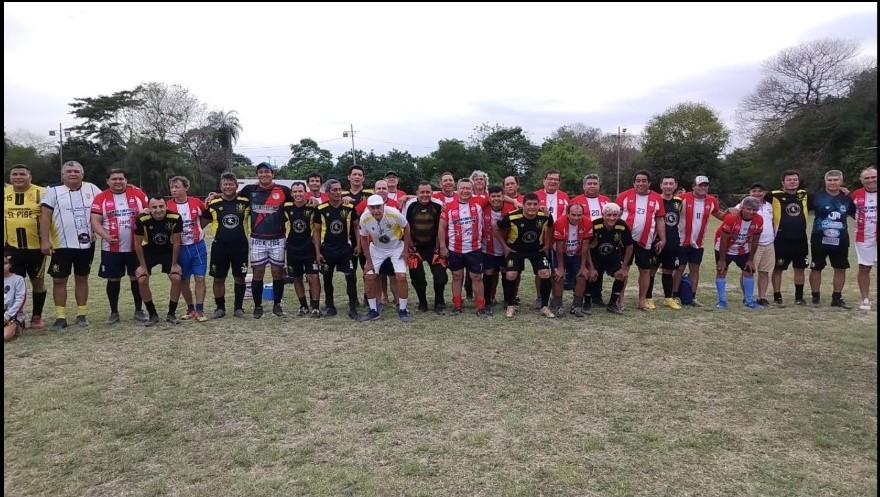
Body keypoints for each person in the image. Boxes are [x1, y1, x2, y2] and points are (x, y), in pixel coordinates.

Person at [40, 160, 102, 331]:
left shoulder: (92, 188)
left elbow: (106, 203)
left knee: (82, 278)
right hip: (62, 244)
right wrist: (45, 240)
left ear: (83, 174)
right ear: (63, 175)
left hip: (87, 243)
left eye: (76, 171)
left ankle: (82, 314)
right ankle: (61, 316)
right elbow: (45, 216)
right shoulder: (53, 190)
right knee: (59, 280)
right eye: (69, 171)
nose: (73, 174)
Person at [90, 168, 149, 324]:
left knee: (136, 277)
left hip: (135, 247)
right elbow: (95, 221)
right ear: (107, 181)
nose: (118, 182)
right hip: (111, 248)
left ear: (126, 180)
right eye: (114, 179)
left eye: (121, 178)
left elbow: (148, 213)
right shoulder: (100, 198)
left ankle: (139, 310)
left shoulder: (138, 195)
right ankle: (114, 312)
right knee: (113, 279)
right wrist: (106, 236)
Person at [238, 163, 292, 318]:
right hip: (257, 239)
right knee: (258, 273)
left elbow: (299, 198)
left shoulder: (283, 190)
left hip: (278, 238)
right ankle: (257, 306)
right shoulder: (249, 190)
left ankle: (277, 306)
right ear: (257, 175)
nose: (264, 174)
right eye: (260, 172)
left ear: (272, 174)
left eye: (267, 172)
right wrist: (215, 195)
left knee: (277, 273)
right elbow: (232, 196)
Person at [496, 193, 555, 318]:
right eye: (529, 204)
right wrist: (505, 247)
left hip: (536, 250)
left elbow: (551, 226)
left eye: (535, 204)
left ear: (539, 205)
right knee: (511, 274)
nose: (532, 207)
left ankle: (545, 306)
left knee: (545, 273)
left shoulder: (544, 215)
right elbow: (495, 228)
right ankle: (510, 305)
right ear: (523, 205)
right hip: (516, 250)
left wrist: (547, 244)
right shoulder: (512, 216)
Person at [4, 164, 48, 329]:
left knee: (38, 282)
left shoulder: (42, 192)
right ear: (10, 177)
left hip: (36, 248)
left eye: (22, 174)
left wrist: (46, 241)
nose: (18, 177)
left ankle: (36, 316)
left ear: (30, 176)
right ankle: (15, 316)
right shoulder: (5, 193)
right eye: (15, 174)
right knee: (12, 282)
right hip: (12, 247)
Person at [203, 172, 250, 319]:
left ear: (236, 186)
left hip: (240, 247)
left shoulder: (246, 202)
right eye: (225, 184)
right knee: (218, 279)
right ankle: (220, 308)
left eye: (231, 184)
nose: (228, 186)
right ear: (220, 186)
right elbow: (201, 223)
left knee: (240, 278)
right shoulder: (213, 204)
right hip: (219, 248)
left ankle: (238, 308)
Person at [358, 195, 412, 322]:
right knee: (369, 276)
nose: (376, 210)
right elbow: (363, 239)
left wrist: (405, 250)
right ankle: (373, 310)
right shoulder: (365, 217)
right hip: (377, 248)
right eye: (372, 207)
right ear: (368, 207)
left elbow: (406, 226)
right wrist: (369, 261)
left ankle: (403, 309)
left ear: (383, 205)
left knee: (401, 276)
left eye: (378, 207)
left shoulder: (394, 213)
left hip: (396, 247)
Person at [618, 170, 666, 311]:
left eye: (644, 180)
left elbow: (660, 219)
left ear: (649, 183)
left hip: (646, 241)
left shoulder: (657, 198)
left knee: (645, 271)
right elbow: (615, 216)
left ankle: (641, 301)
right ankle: (620, 300)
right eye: (638, 180)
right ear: (634, 182)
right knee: (624, 269)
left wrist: (663, 239)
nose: (640, 183)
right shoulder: (624, 196)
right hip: (625, 241)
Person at [673, 175, 725, 307]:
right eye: (700, 185)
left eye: (705, 185)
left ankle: (692, 297)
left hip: (698, 242)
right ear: (693, 186)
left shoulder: (712, 201)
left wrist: (733, 212)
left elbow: (720, 215)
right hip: (681, 241)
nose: (702, 188)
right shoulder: (682, 198)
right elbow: (671, 213)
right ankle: (674, 296)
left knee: (695, 269)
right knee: (679, 268)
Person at [439, 178, 487, 316]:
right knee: (457, 276)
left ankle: (481, 307)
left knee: (477, 277)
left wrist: (515, 202)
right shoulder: (448, 206)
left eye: (468, 188)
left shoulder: (479, 203)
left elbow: (499, 196)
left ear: (472, 190)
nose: (465, 191)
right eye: (462, 188)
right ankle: (457, 306)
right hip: (455, 249)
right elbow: (441, 227)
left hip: (474, 248)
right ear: (457, 190)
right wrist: (443, 246)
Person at [132, 195, 183, 326]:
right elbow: (137, 244)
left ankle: (171, 314)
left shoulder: (175, 217)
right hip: (148, 251)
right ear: (148, 208)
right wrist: (142, 266)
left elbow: (177, 242)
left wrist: (174, 264)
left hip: (167, 251)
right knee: (142, 279)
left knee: (176, 278)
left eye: (161, 206)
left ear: (166, 206)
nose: (158, 210)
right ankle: (152, 314)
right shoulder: (142, 219)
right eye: (154, 207)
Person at [314, 179, 361, 319]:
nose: (338, 192)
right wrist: (317, 252)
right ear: (327, 192)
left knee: (351, 277)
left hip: (345, 249)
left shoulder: (349, 207)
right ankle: (330, 306)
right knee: (327, 278)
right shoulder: (321, 209)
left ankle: (353, 307)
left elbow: (356, 226)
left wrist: (358, 244)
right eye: (334, 190)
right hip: (327, 249)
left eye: (340, 189)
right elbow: (316, 231)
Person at [808, 170, 855, 309]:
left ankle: (837, 298)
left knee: (840, 268)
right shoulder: (816, 197)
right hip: (819, 238)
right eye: (830, 180)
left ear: (841, 181)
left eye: (836, 180)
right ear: (825, 181)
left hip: (840, 239)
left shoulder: (847, 198)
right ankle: (815, 296)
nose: (833, 183)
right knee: (816, 268)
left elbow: (857, 215)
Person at [166, 175, 209, 321]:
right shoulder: (167, 206)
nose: (174, 190)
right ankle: (190, 308)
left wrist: (199, 229)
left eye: (177, 187)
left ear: (186, 188)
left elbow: (207, 216)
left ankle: (200, 310)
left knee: (200, 278)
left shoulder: (196, 202)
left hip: (198, 246)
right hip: (180, 248)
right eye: (172, 187)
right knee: (184, 280)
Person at [402, 181, 448, 314]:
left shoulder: (438, 205)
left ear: (432, 192)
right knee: (418, 278)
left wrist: (438, 249)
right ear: (416, 193)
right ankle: (422, 302)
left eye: (428, 192)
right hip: (416, 247)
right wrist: (411, 248)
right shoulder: (410, 205)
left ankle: (439, 302)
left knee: (440, 276)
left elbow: (441, 228)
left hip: (434, 246)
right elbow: (406, 227)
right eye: (422, 192)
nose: (425, 195)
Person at [714, 196, 764, 309]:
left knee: (749, 271)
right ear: (742, 207)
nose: (751, 212)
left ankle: (749, 301)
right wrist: (722, 260)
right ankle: (722, 301)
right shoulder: (731, 218)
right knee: (721, 271)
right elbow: (723, 239)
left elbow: (755, 240)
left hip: (742, 248)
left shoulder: (759, 219)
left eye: (754, 210)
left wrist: (751, 260)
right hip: (724, 248)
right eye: (748, 209)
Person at [769, 170, 810, 306]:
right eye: (789, 180)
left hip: (800, 239)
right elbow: (754, 195)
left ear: (799, 182)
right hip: (781, 239)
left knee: (800, 268)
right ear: (783, 182)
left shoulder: (804, 195)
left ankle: (799, 297)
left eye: (795, 180)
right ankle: (777, 297)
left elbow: (829, 193)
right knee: (778, 268)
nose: (792, 182)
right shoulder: (774, 195)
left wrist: (841, 190)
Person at [283, 182, 321, 318]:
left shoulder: (313, 207)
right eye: (295, 191)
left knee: (314, 277)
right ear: (292, 194)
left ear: (306, 192)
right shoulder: (286, 208)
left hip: (308, 249)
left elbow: (317, 231)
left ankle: (315, 307)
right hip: (292, 249)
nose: (298, 194)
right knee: (296, 278)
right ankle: (303, 305)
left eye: (300, 191)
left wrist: (318, 252)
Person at [588, 203, 634, 314]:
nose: (612, 218)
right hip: (595, 256)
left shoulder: (622, 225)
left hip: (612, 255)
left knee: (621, 275)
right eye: (609, 215)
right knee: (591, 275)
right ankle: (586, 302)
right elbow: (586, 247)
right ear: (603, 214)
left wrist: (624, 268)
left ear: (619, 215)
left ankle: (612, 304)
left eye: (615, 215)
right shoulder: (595, 224)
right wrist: (590, 267)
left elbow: (629, 246)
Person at [550, 202, 595, 317]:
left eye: (579, 215)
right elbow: (559, 246)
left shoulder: (588, 222)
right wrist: (560, 268)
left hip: (577, 253)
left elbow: (586, 245)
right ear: (568, 214)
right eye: (573, 215)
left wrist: (583, 266)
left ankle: (576, 306)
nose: (576, 218)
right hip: (561, 253)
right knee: (558, 277)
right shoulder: (560, 222)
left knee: (581, 276)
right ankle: (558, 305)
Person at [735, 183, 776, 306]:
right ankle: (747, 296)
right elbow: (733, 215)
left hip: (769, 243)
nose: (757, 193)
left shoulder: (770, 206)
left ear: (765, 193)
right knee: (748, 271)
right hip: (752, 244)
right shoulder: (743, 205)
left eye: (760, 191)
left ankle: (762, 297)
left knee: (764, 271)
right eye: (754, 191)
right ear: (750, 192)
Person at [648, 174, 683, 310]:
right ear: (661, 185)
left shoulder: (679, 202)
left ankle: (668, 298)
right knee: (652, 270)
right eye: (665, 184)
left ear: (675, 185)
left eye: (671, 184)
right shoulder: (655, 200)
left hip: (673, 241)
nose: (668, 186)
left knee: (668, 270)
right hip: (657, 241)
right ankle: (648, 298)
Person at [480, 185, 516, 315]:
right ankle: (488, 301)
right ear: (489, 198)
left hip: (506, 248)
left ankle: (508, 300)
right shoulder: (483, 208)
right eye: (493, 196)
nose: (496, 199)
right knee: (488, 272)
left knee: (506, 273)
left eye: (499, 196)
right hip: (487, 248)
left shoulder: (511, 209)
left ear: (503, 197)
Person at [850, 166, 877, 311]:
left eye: (873, 177)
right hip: (864, 237)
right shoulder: (856, 194)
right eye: (867, 178)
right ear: (862, 180)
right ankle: (865, 299)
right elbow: (849, 210)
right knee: (864, 267)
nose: (871, 180)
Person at [4, 254, 27, 341]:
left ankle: (17, 326)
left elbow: (20, 300)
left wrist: (7, 315)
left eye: (5, 263)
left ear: (10, 264)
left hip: (12, 316)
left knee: (5, 336)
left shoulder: (18, 279)